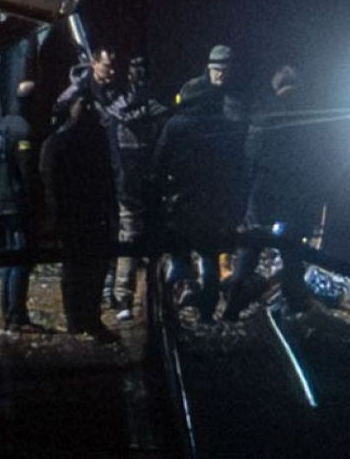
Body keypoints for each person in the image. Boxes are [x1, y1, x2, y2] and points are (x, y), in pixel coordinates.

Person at [222, 64, 322, 320]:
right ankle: (296, 306)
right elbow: (313, 164)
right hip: (292, 199)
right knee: (291, 254)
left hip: (262, 196)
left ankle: (232, 308)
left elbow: (248, 161)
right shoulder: (308, 118)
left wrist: (244, 198)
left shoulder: (262, 116)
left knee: (249, 252)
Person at [150, 58, 246, 321]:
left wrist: (157, 190)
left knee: (180, 249)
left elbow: (159, 161)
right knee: (209, 254)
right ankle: (208, 309)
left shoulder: (175, 125)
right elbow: (233, 164)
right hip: (212, 200)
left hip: (181, 199)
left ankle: (185, 293)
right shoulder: (222, 125)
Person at [40, 81, 120, 343]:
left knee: (95, 268)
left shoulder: (96, 139)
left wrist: (111, 211)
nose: (86, 109)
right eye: (81, 104)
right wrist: (56, 218)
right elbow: (51, 184)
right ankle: (76, 320)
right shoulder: (59, 142)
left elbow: (107, 177)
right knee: (75, 269)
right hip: (73, 216)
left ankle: (90, 317)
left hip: (93, 215)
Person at [105, 55, 166, 320]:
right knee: (140, 242)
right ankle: (134, 297)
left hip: (130, 185)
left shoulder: (115, 113)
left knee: (130, 242)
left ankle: (125, 298)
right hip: (141, 185)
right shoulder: (156, 112)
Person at [0, 78, 47, 333]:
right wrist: (38, 203)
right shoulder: (24, 131)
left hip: (1, 200)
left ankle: (8, 310)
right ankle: (17, 315)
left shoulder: (2, 125)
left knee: (10, 256)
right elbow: (27, 173)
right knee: (22, 258)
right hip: (17, 203)